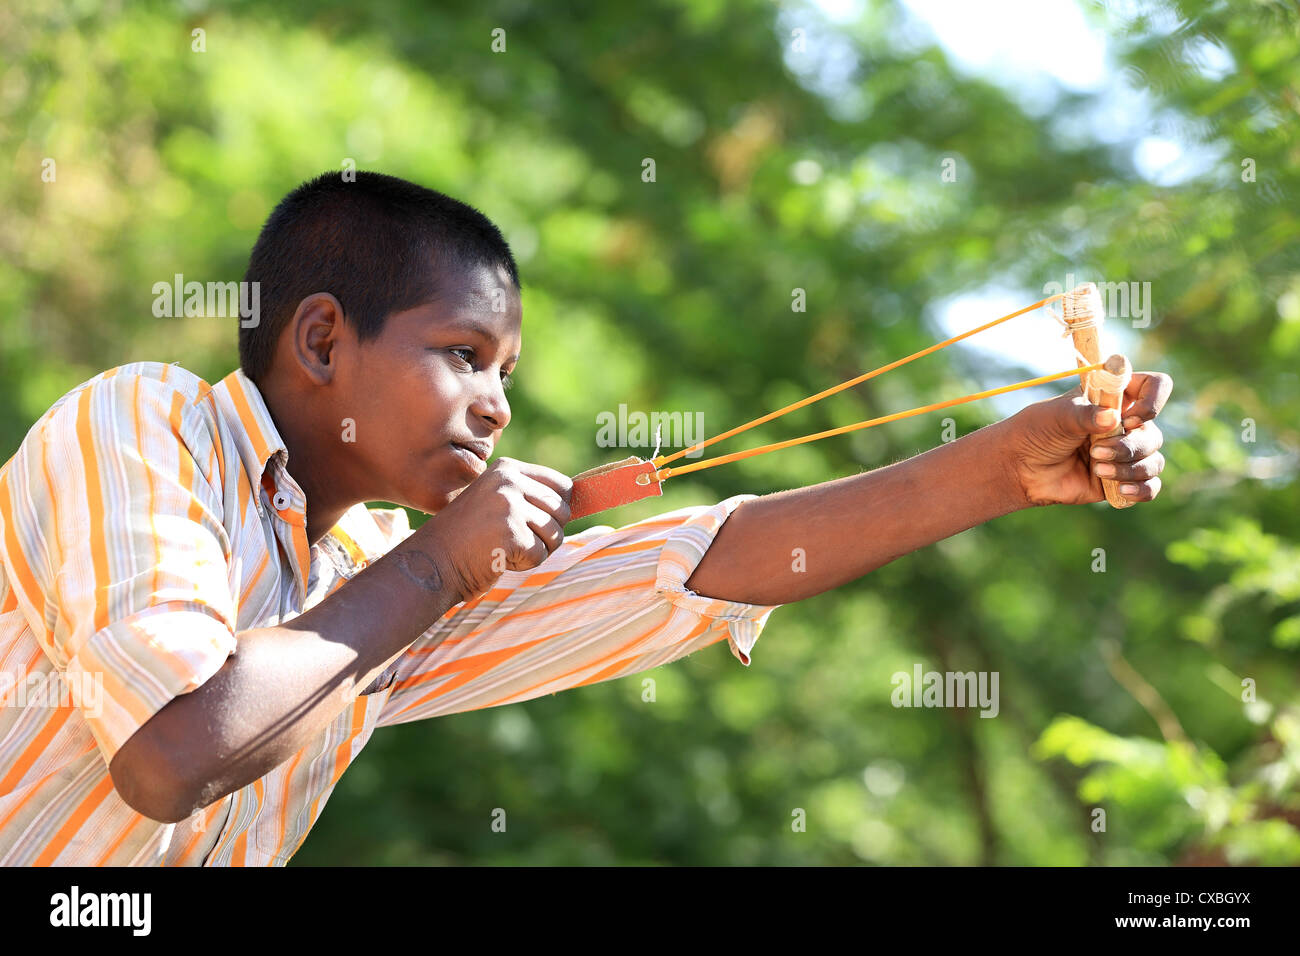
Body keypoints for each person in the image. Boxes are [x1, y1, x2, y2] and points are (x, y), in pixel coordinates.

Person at [0, 171, 1172, 865]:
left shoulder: (372, 568)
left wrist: (1005, 471)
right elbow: (171, 754)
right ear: (320, 341)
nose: (499, 404)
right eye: (462, 354)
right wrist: (438, 571)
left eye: (506, 370)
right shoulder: (144, 421)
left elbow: (689, 566)